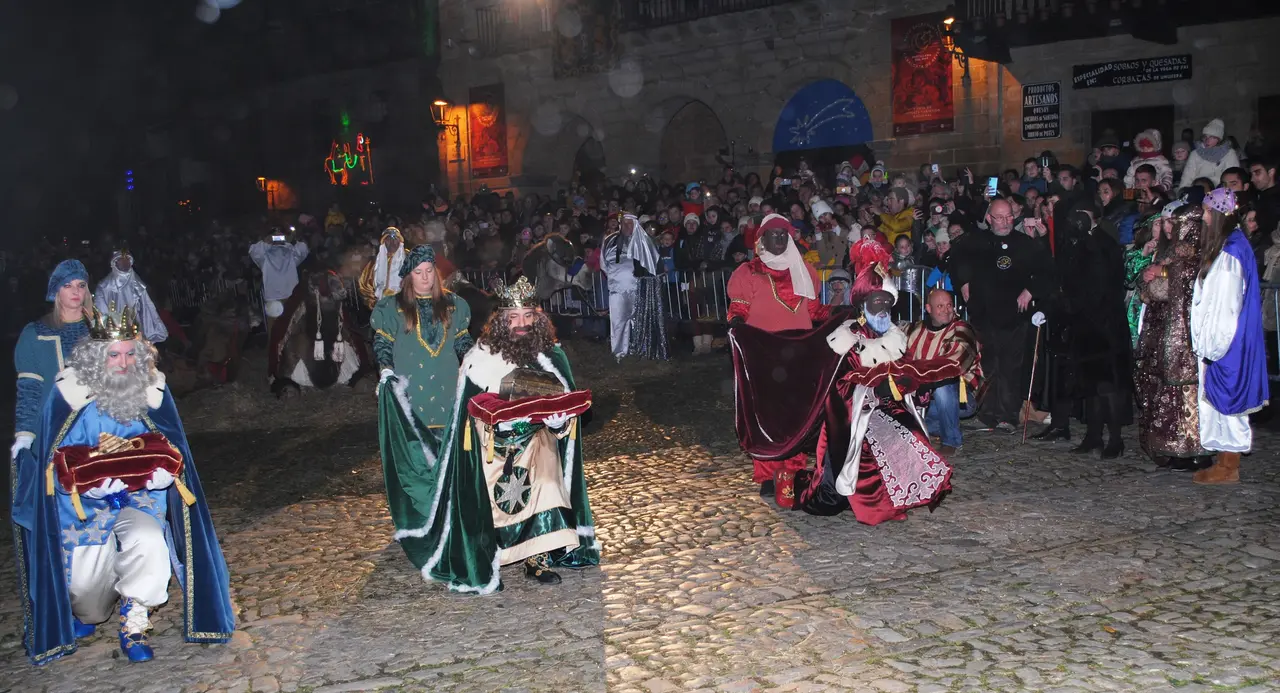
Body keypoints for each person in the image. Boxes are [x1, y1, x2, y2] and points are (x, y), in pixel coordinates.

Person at [10, 308, 233, 664]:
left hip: (139, 499)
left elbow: (170, 445)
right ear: (96, 356)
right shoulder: (68, 393)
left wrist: (165, 480)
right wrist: (85, 487)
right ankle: (86, 611)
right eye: (114, 354)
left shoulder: (152, 390)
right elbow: (51, 464)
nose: (123, 362)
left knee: (148, 541)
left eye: (131, 353)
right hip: (81, 510)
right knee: (89, 603)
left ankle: (134, 623)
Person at [392, 277, 599, 592]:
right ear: (501, 321)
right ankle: (490, 556)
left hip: (536, 440)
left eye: (528, 316)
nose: (522, 324)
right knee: (490, 491)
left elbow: (566, 415)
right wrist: (499, 422)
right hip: (489, 445)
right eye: (513, 317)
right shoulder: (480, 357)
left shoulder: (550, 355)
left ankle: (537, 558)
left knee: (546, 478)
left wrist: (558, 422)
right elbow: (467, 414)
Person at [727, 214, 829, 493]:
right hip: (764, 352)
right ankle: (766, 473)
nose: (780, 239)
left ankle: (793, 470)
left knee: (797, 416)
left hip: (799, 353)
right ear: (762, 239)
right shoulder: (748, 272)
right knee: (767, 416)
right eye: (774, 234)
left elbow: (814, 311)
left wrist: (839, 313)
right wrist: (736, 321)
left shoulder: (804, 271)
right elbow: (739, 307)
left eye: (784, 234)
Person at [1033, 208, 1132, 458]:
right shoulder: (1079, 244)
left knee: (1107, 385)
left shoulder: (1101, 243)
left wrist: (1071, 303)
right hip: (1086, 324)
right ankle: (1094, 436)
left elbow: (1099, 285)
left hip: (1104, 327)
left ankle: (1115, 439)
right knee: (1090, 385)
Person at [952, 198, 1055, 432]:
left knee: (1010, 366)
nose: (1005, 222)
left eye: (1009, 216)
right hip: (984, 314)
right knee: (987, 365)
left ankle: (1008, 415)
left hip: (1014, 316)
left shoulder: (1025, 243)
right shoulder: (975, 242)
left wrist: (1030, 291)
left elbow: (1047, 271)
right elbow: (957, 261)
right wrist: (964, 283)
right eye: (1000, 217)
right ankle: (986, 413)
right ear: (989, 218)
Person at [1189, 188, 1269, 484]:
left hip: (1226, 343)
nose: (1204, 217)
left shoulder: (1230, 254)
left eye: (1208, 211)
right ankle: (1224, 459)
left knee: (1228, 401)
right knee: (1220, 401)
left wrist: (1212, 346)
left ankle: (1229, 464)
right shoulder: (1228, 247)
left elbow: (1224, 305)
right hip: (1224, 343)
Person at [1134, 205, 1213, 471]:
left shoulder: (1195, 254)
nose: (1169, 229)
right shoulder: (1170, 253)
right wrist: (1151, 277)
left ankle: (1195, 449)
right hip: (1163, 331)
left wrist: (1158, 277)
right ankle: (1170, 447)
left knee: (1188, 391)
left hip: (1187, 335)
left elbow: (1175, 288)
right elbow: (1148, 290)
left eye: (1174, 224)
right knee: (1164, 389)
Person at [13, 260, 92, 468]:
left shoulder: (101, 332)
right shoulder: (35, 333)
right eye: (67, 285)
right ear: (56, 291)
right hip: (53, 430)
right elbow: (29, 390)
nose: (75, 291)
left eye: (80, 285)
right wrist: (25, 434)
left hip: (99, 428)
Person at [907, 288, 982, 455]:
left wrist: (923, 379)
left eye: (949, 305)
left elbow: (953, 365)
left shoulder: (962, 329)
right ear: (928, 309)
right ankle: (944, 425)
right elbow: (903, 360)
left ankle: (951, 441)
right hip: (926, 400)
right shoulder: (915, 330)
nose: (947, 310)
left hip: (962, 399)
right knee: (906, 418)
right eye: (940, 306)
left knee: (943, 385)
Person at [601, 213, 660, 361]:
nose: (628, 227)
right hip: (617, 289)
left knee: (638, 321)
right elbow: (603, 263)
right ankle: (619, 353)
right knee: (618, 321)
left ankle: (638, 350)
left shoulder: (643, 241)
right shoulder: (610, 240)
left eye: (631, 224)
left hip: (637, 289)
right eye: (625, 224)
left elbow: (652, 262)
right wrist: (615, 277)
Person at [93, 249, 167, 345]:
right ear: (115, 262)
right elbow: (101, 312)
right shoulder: (104, 286)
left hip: (136, 332)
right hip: (113, 335)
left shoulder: (138, 285)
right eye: (122, 260)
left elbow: (147, 309)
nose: (125, 263)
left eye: (127, 260)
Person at [249, 229, 309, 333]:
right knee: (275, 331)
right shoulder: (264, 257)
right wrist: (267, 241)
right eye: (274, 234)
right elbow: (254, 251)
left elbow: (303, 250)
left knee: (296, 331)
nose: (277, 236)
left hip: (292, 298)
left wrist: (292, 240)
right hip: (274, 299)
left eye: (280, 234)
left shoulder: (291, 254)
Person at [1180, 119, 1240, 193]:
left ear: (1219, 139)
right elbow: (1187, 177)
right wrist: (1183, 193)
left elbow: (1233, 178)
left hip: (1221, 193)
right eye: (1205, 136)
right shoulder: (1195, 154)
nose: (1207, 140)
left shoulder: (1229, 154)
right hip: (1198, 192)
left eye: (1212, 137)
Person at [358, 227, 406, 309]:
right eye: (388, 239)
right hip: (382, 307)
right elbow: (364, 286)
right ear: (383, 242)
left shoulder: (410, 259)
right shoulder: (374, 263)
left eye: (395, 239)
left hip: (403, 308)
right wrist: (373, 302)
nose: (392, 242)